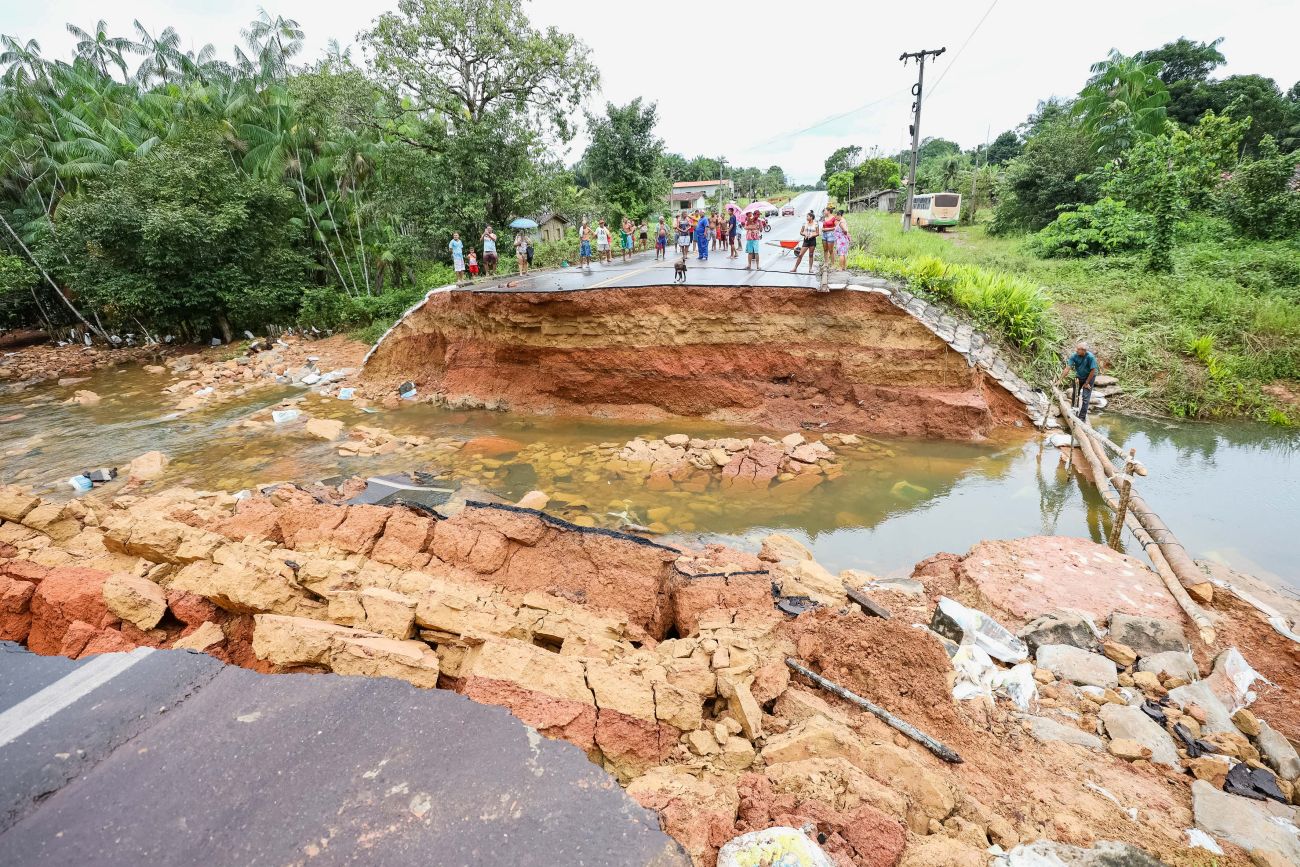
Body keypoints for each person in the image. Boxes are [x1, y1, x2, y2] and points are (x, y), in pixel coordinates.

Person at [1060, 341, 1100, 421]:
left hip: (1090, 377)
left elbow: (1093, 370)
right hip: (1079, 376)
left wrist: (1087, 383)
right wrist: (1060, 379)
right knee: (1075, 395)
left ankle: (1082, 418)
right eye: (1077, 349)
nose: (1076, 350)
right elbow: (1068, 368)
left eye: (1078, 349)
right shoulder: (1074, 356)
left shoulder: (1090, 357)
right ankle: (1074, 413)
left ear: (1084, 350)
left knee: (1085, 397)